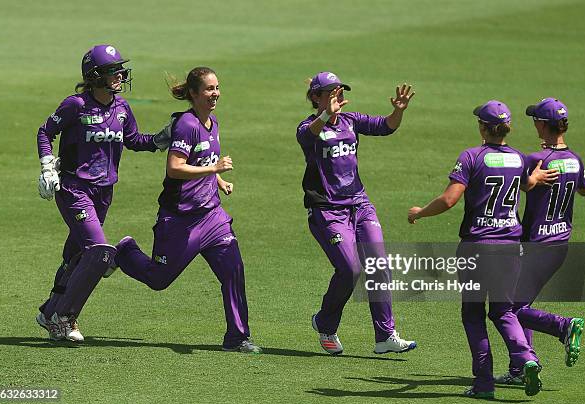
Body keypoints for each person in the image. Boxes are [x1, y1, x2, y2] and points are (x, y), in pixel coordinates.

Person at [407, 100, 558, 398]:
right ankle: (526, 357)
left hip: (476, 248)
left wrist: (420, 212)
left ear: (482, 127)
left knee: (473, 314)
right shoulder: (518, 158)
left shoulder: (471, 156)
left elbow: (449, 200)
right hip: (510, 248)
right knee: (504, 311)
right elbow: (522, 184)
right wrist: (535, 179)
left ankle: (484, 383)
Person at [108, 67, 260, 354]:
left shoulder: (212, 122)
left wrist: (217, 179)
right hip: (180, 220)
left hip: (212, 216)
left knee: (233, 270)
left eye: (217, 88)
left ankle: (237, 337)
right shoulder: (186, 125)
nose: (215, 94)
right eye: (209, 89)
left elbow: (204, 157)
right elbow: (175, 168)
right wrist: (213, 168)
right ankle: (125, 251)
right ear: (193, 93)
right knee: (158, 279)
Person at [35, 44, 171, 342]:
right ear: (95, 76)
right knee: (99, 252)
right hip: (74, 189)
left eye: (120, 70)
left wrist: (163, 138)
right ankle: (65, 318)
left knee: (76, 256)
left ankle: (48, 311)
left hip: (104, 192)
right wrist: (47, 166)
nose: (120, 75)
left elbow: (134, 140)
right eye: (112, 71)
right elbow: (45, 132)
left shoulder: (121, 108)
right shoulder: (75, 105)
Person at [296, 71, 417, 355]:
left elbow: (387, 126)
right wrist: (326, 115)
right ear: (316, 97)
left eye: (339, 91)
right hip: (327, 210)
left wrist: (397, 112)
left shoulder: (351, 121)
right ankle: (325, 322)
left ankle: (385, 336)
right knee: (350, 270)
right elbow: (308, 134)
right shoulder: (308, 127)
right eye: (329, 92)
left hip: (360, 205)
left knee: (378, 264)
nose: (336, 96)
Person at [495, 98, 585, 385]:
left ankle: (564, 327)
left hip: (536, 245)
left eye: (535, 119)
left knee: (508, 309)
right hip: (560, 245)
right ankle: (520, 368)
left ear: (542, 124)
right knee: (522, 303)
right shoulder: (574, 158)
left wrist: (532, 179)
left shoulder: (537, 160)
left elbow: (515, 182)